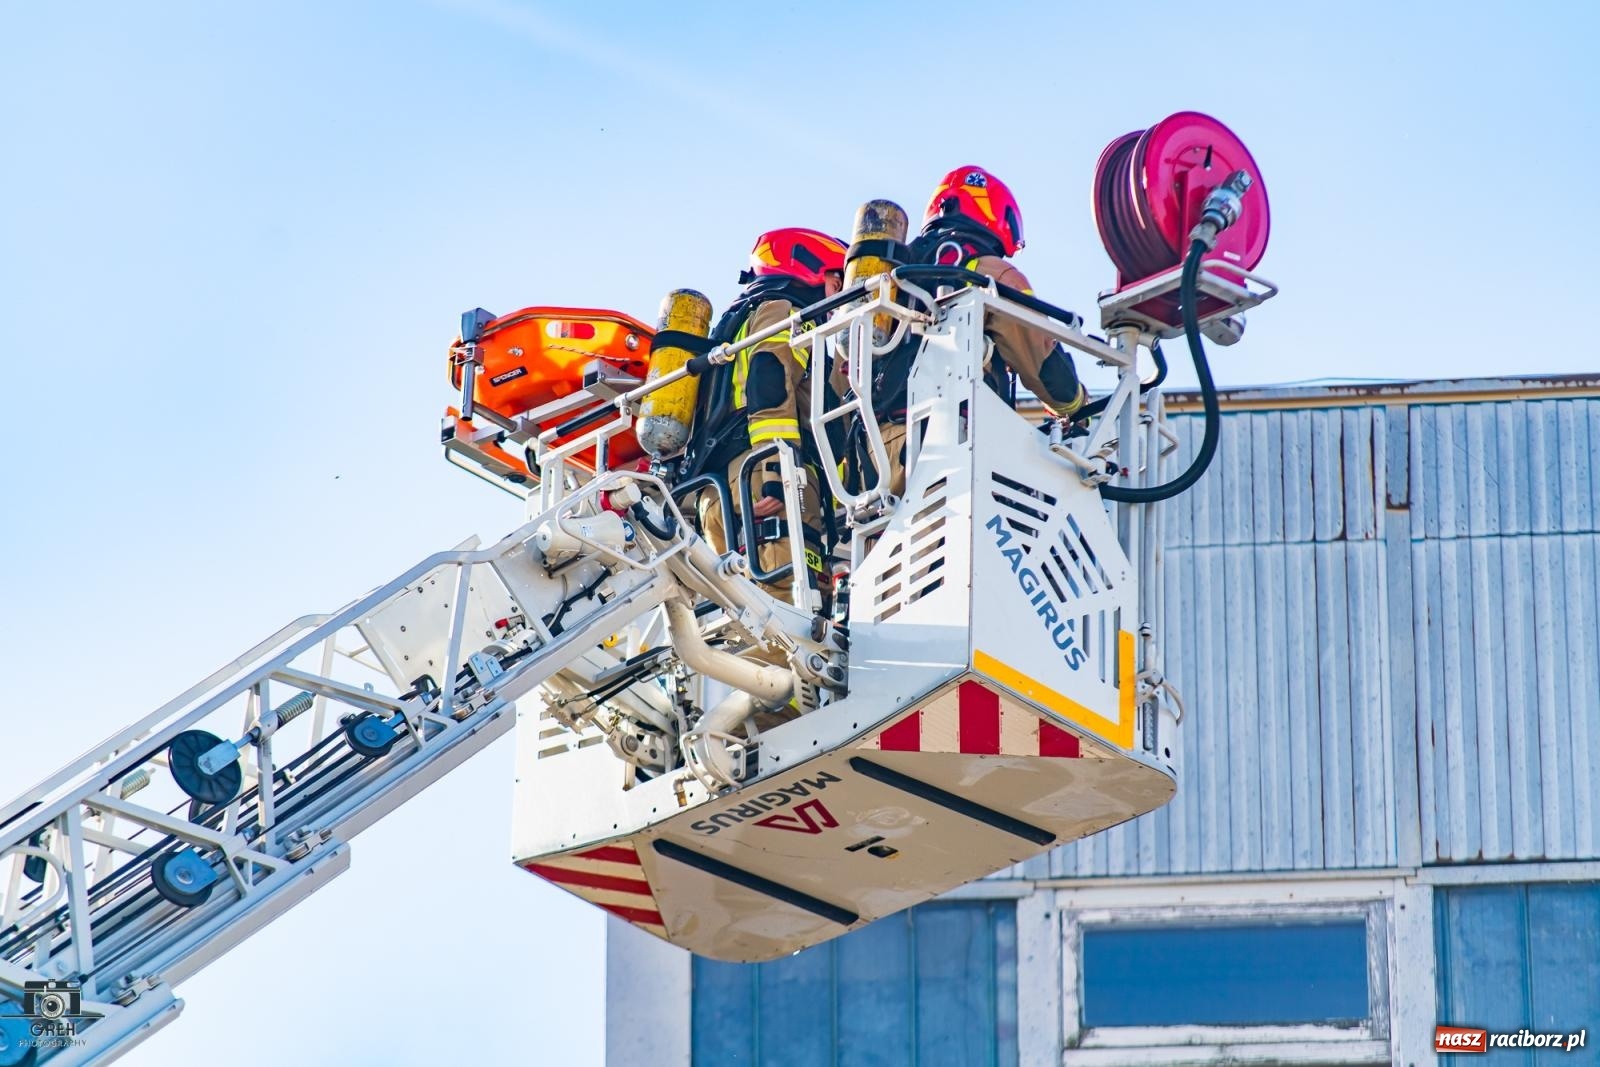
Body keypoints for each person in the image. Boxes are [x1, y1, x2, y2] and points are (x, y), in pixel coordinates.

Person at [855, 167, 1089, 499]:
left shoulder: (894, 272)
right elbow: (1039, 358)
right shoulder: (991, 270)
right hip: (946, 444)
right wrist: (1075, 402)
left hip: (875, 453)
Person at [683, 227, 847, 608]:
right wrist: (780, 476)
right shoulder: (785, 311)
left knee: (751, 618)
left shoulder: (737, 322)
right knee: (789, 609)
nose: (839, 294)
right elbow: (769, 382)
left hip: (721, 493)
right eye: (836, 279)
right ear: (811, 270)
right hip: (763, 481)